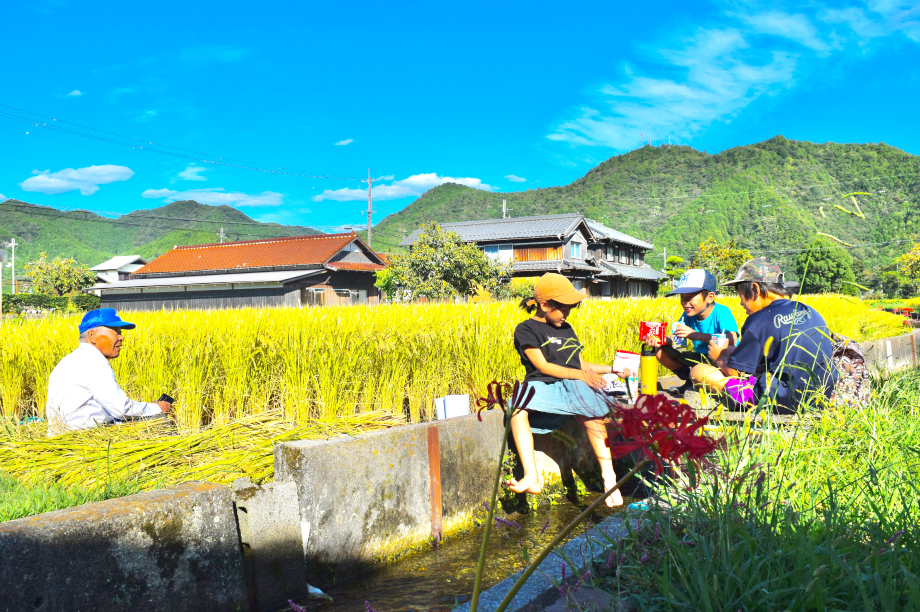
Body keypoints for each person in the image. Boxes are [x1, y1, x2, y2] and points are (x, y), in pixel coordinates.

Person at [511, 273, 629, 507]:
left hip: (572, 384)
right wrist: (581, 375)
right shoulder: (526, 329)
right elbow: (543, 366)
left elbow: (581, 364)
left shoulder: (567, 329)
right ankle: (531, 476)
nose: (566, 314)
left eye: (570, 309)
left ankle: (609, 475)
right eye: (563, 309)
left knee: (590, 409)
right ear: (545, 305)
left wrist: (611, 369)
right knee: (516, 410)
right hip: (543, 383)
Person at [691, 257, 837, 413]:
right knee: (734, 352)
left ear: (755, 289)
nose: (741, 304)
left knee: (698, 371)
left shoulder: (758, 321)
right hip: (823, 394)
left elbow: (735, 374)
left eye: (741, 296)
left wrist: (719, 358)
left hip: (783, 401)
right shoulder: (808, 310)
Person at [46, 308, 172, 436]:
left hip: (66, 435)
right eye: (116, 332)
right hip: (88, 437)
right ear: (92, 335)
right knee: (158, 420)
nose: (121, 337)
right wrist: (156, 408)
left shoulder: (70, 360)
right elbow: (120, 409)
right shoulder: (93, 361)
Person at [647, 269, 739, 394]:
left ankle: (721, 385)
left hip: (721, 359)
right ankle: (690, 380)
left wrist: (694, 335)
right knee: (661, 350)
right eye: (682, 297)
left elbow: (731, 340)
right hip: (700, 358)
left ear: (710, 297)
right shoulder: (687, 315)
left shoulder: (722, 312)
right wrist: (662, 340)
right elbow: (677, 336)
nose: (685, 302)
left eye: (690, 297)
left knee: (722, 356)